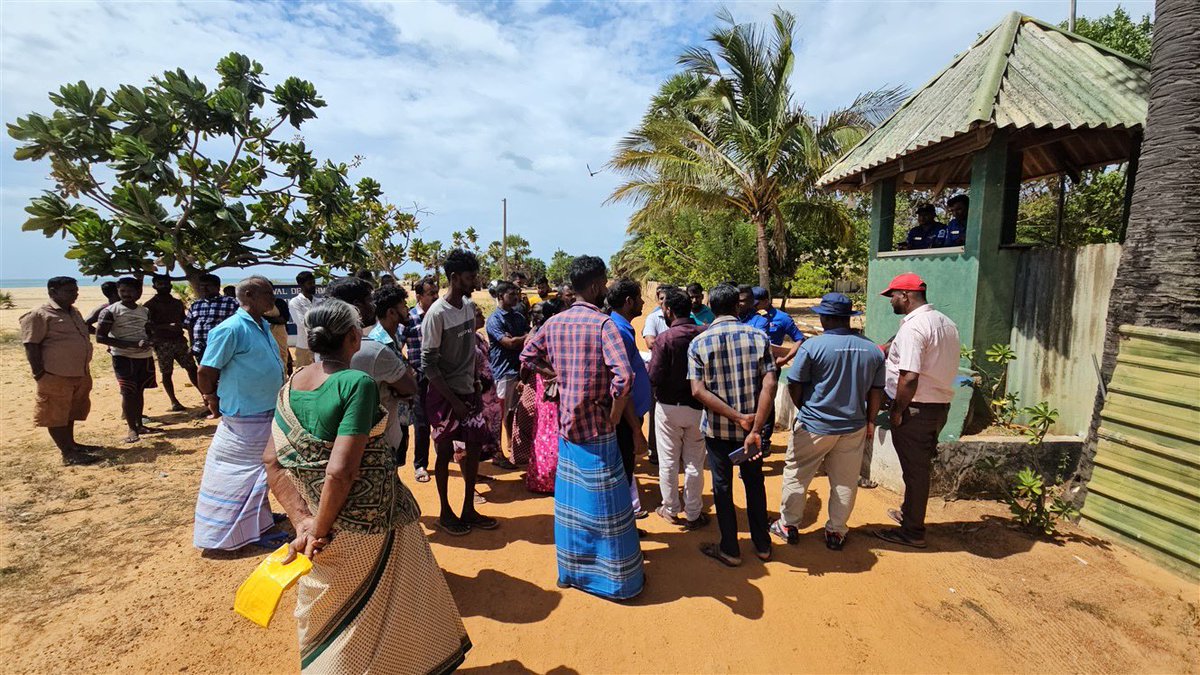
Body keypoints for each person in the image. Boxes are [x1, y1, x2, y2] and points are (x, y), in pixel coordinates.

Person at [263, 299, 471, 674]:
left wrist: (303, 522)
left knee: (330, 619)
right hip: (366, 531)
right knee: (381, 619)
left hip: (317, 524)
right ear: (353, 337)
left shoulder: (290, 385)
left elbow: (272, 461)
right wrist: (320, 529)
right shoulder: (356, 383)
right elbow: (341, 472)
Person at [520, 255, 643, 600]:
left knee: (571, 508)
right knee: (608, 509)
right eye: (604, 282)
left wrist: (556, 375)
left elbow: (527, 356)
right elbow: (624, 377)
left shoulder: (554, 323)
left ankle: (571, 573)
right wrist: (616, 414)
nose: (606, 288)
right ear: (595, 285)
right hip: (598, 430)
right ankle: (617, 582)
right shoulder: (604, 326)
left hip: (568, 428)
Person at [771, 293, 885, 550]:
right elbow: (876, 391)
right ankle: (836, 531)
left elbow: (794, 384)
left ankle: (788, 525)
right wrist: (870, 421)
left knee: (798, 474)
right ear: (848, 317)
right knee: (845, 480)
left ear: (825, 317)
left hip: (814, 425)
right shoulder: (872, 350)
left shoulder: (812, 347)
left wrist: (805, 409)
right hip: (853, 426)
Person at [192, 276, 286, 552]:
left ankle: (260, 520)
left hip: (266, 409)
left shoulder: (262, 325)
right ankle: (238, 532)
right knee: (246, 473)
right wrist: (210, 397)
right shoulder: (231, 329)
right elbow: (206, 371)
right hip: (246, 414)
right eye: (267, 293)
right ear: (248, 295)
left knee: (261, 471)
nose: (272, 298)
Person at [688, 283, 777, 567]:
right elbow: (770, 384)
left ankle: (730, 548)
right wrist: (754, 427)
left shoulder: (699, 343)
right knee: (755, 483)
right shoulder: (759, 337)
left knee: (722, 487)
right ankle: (762, 545)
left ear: (711, 307)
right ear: (738, 306)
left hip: (717, 431)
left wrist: (735, 417)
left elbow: (698, 391)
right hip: (751, 433)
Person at [873, 273, 961, 549]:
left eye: (893, 296)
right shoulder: (946, 323)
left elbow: (909, 376)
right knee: (917, 468)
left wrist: (898, 410)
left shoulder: (914, 328)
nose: (891, 301)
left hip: (916, 409)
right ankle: (909, 514)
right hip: (937, 407)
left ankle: (912, 531)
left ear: (906, 296)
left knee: (915, 472)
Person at [421, 249, 497, 536]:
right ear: (454, 278)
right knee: (443, 452)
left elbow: (469, 353)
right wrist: (454, 401)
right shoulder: (437, 315)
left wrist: (475, 385)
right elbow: (429, 365)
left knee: (473, 448)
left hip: (469, 393)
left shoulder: (467, 307)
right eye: (469, 277)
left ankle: (468, 509)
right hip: (444, 397)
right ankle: (445, 513)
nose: (474, 282)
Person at [325, 278, 416, 468]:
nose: (373, 306)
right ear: (357, 307)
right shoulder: (374, 350)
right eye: (369, 300)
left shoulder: (325, 348)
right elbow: (410, 387)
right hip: (379, 447)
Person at [20, 276, 101, 465]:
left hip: (79, 372)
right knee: (55, 415)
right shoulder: (38, 314)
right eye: (69, 291)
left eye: (76, 290)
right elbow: (31, 345)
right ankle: (67, 453)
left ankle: (72, 444)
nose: (75, 294)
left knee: (70, 411)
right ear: (52, 292)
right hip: (55, 374)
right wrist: (39, 373)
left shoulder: (74, 312)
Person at [649, 288, 708, 529]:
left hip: (668, 407)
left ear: (668, 311)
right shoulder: (704, 333)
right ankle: (693, 513)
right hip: (698, 407)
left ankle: (671, 509)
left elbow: (654, 375)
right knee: (694, 462)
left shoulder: (665, 339)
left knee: (668, 461)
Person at [607, 278, 652, 518]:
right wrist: (635, 428)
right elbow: (622, 384)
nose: (643, 302)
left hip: (630, 414)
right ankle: (623, 524)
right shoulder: (619, 331)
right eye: (639, 297)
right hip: (626, 417)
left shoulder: (622, 327)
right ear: (628, 301)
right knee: (623, 469)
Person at [96, 277, 157, 443]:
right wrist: (132, 344)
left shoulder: (144, 311)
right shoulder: (110, 311)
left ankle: (139, 425)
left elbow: (148, 331)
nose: (126, 294)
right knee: (128, 393)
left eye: (130, 291)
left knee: (140, 391)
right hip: (123, 357)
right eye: (122, 291)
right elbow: (100, 337)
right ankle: (131, 428)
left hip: (144, 357)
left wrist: (150, 341)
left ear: (138, 292)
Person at [485, 280, 529, 468]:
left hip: (518, 371)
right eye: (511, 294)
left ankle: (512, 446)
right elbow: (508, 343)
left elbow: (523, 340)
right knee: (500, 414)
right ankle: (497, 453)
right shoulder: (495, 319)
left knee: (514, 411)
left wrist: (519, 339)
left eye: (516, 294)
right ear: (500, 296)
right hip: (503, 372)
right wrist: (524, 338)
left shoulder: (518, 317)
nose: (516, 297)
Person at [519, 303, 560, 492]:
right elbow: (525, 359)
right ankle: (547, 479)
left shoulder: (545, 332)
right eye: (534, 314)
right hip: (548, 389)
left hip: (547, 387)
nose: (536, 317)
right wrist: (553, 373)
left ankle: (544, 479)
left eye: (539, 313)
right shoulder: (545, 333)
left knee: (548, 431)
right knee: (548, 430)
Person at [145, 274, 199, 411]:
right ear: (154, 286)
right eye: (160, 284)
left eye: (166, 283)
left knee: (192, 368)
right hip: (162, 343)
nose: (164, 286)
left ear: (170, 285)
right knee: (167, 372)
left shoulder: (177, 303)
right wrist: (166, 327)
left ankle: (204, 395)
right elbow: (147, 326)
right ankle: (174, 401)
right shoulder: (150, 305)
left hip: (179, 341)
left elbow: (184, 320)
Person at [403, 275, 439, 483]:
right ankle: (420, 465)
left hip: (440, 376)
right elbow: (396, 346)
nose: (435, 297)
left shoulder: (440, 314)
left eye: (436, 293)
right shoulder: (409, 318)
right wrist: (409, 369)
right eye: (430, 293)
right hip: (420, 377)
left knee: (443, 419)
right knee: (422, 422)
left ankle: (445, 458)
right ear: (418, 296)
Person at [184, 272, 239, 363]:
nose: (204, 288)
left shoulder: (230, 302)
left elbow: (239, 323)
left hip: (222, 347)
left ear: (217, 287)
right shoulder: (196, 305)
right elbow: (189, 325)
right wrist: (192, 344)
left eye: (208, 286)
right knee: (203, 371)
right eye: (202, 286)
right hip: (200, 348)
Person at [288, 271, 318, 368]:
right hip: (304, 347)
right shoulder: (295, 302)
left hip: (320, 347)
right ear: (301, 285)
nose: (313, 285)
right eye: (309, 283)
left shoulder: (319, 301)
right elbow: (302, 323)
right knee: (302, 375)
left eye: (314, 282)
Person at [265, 297, 293, 376]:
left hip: (279, 334)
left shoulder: (279, 302)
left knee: (283, 356)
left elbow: (283, 320)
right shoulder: (256, 304)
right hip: (263, 335)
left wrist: (265, 318)